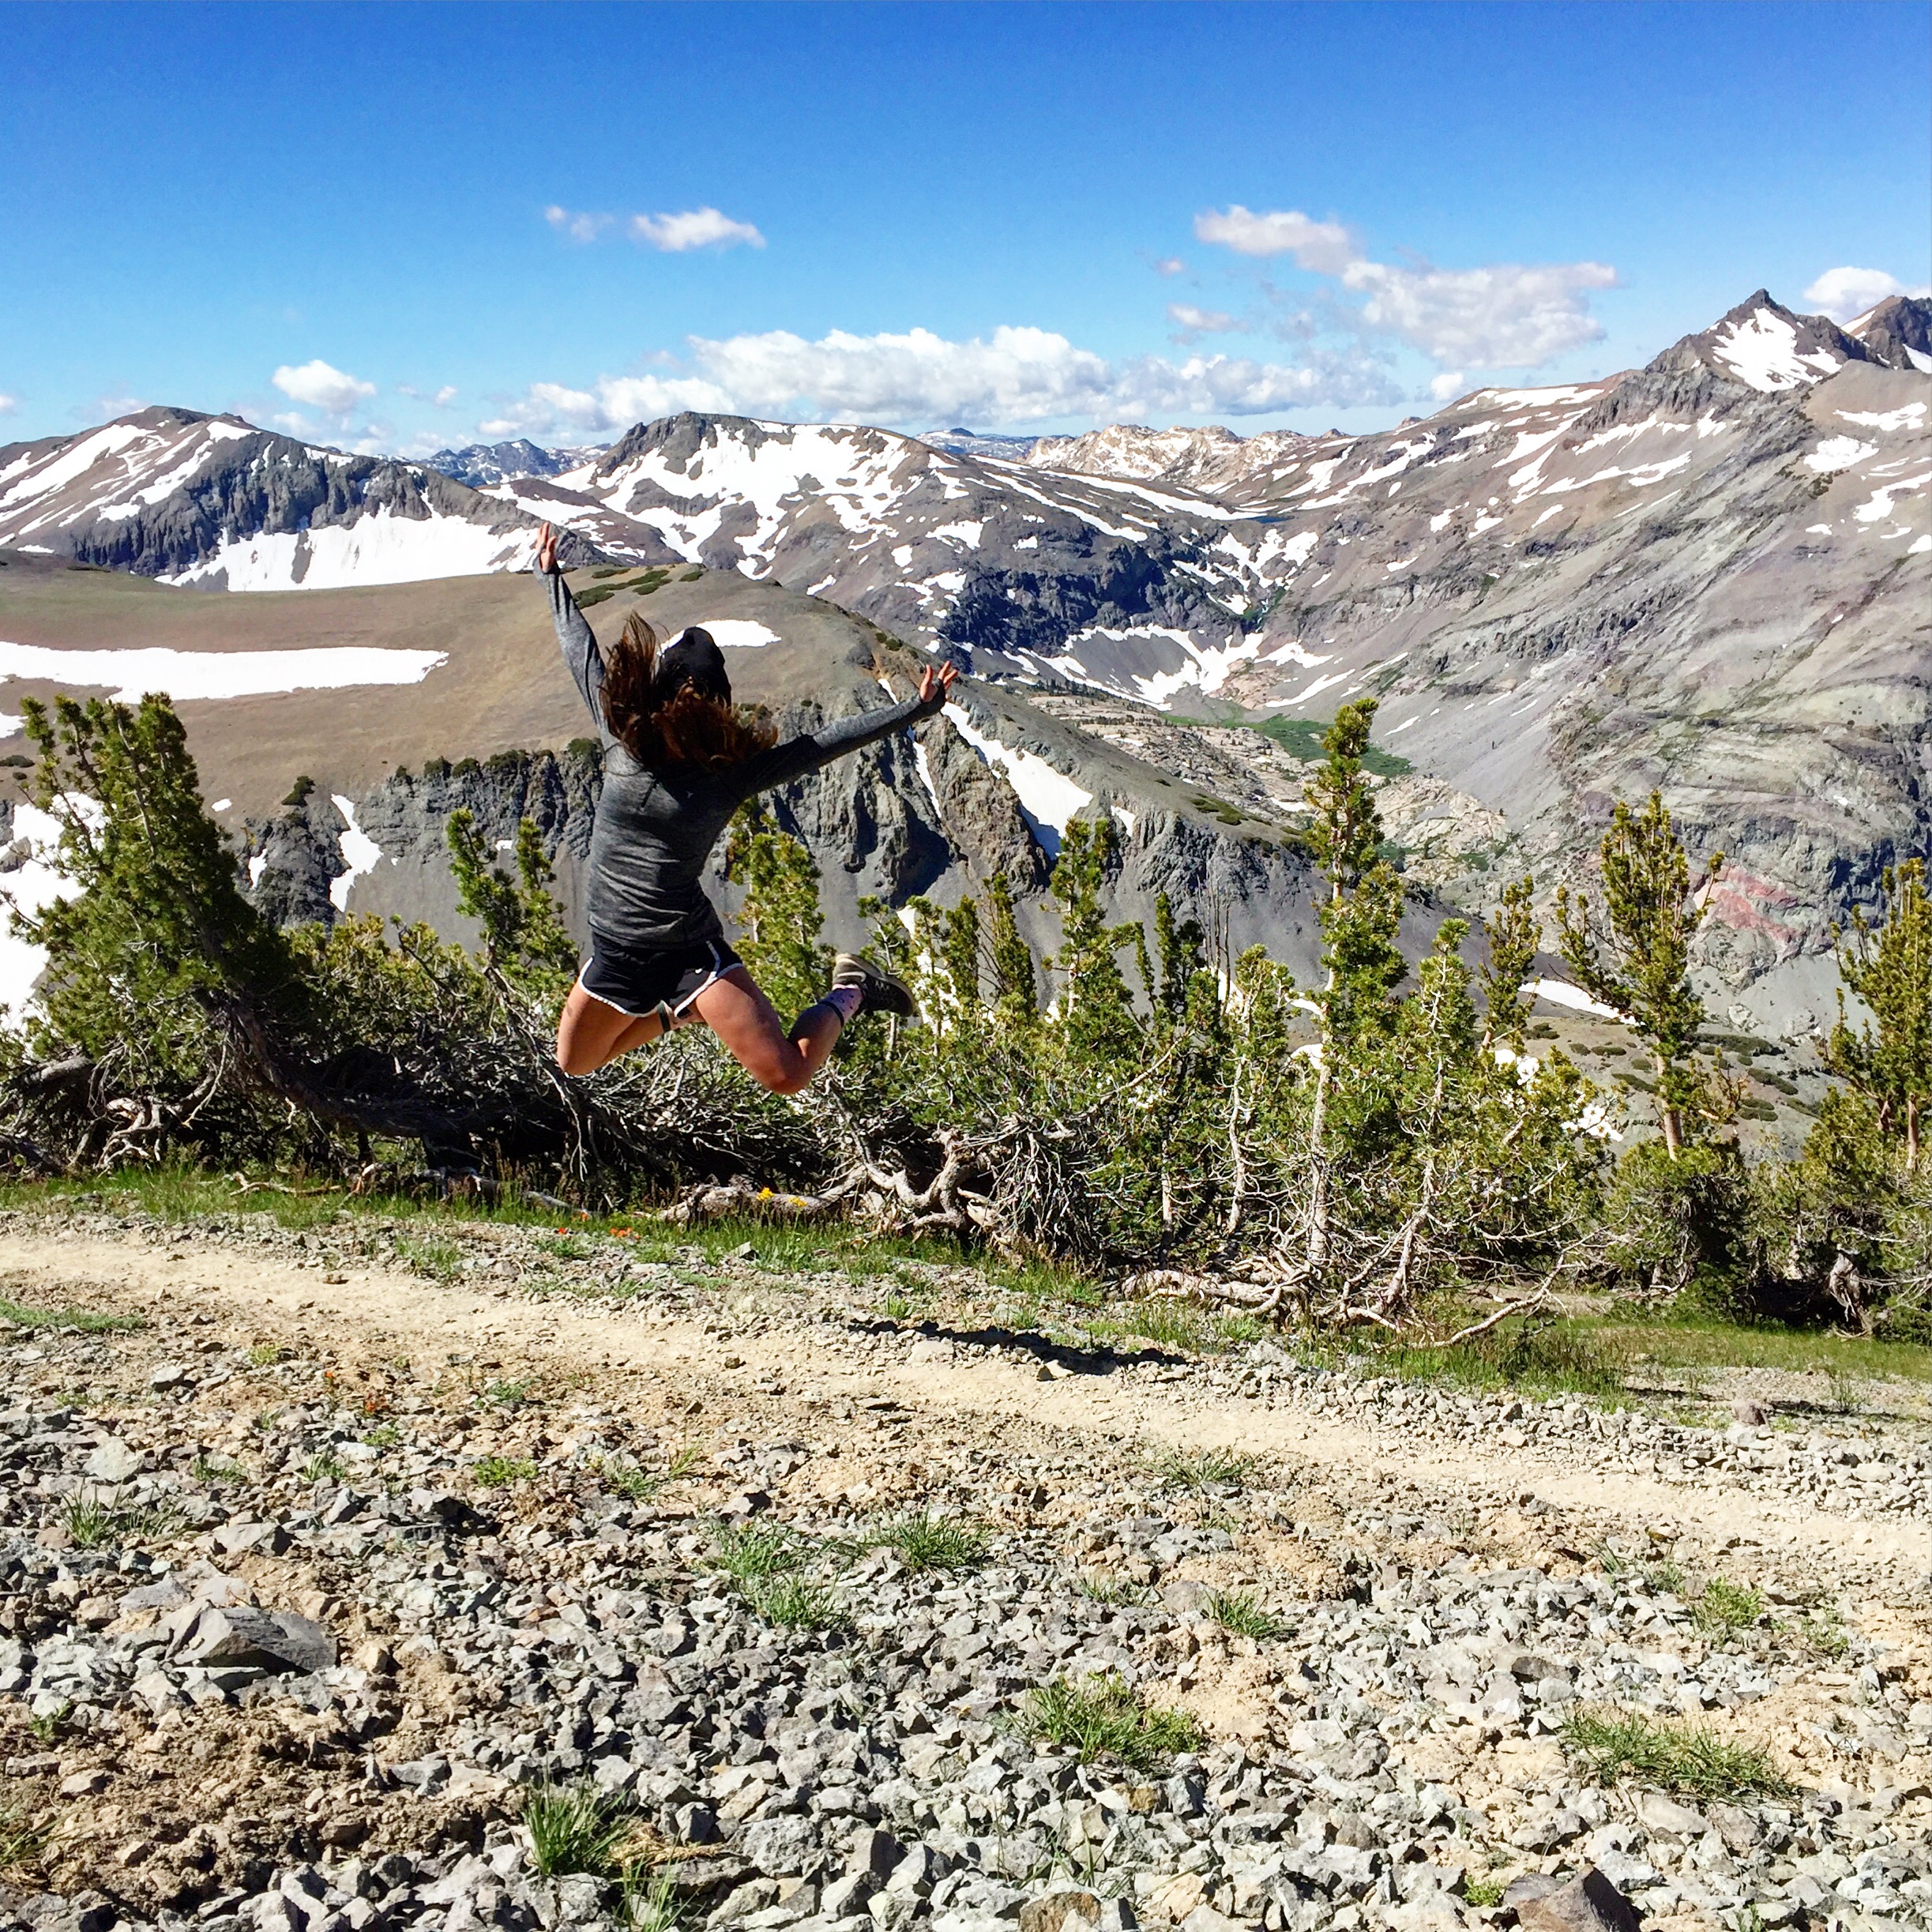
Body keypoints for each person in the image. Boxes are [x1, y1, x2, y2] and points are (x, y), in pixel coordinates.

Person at [536, 522, 958, 1092]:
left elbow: (826, 742)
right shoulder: (624, 740)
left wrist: (914, 711)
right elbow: (578, 653)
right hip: (617, 948)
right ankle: (681, 1013)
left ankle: (852, 988)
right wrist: (551, 578)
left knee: (788, 1074)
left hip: (689, 947)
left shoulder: (725, 773)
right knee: (576, 1062)